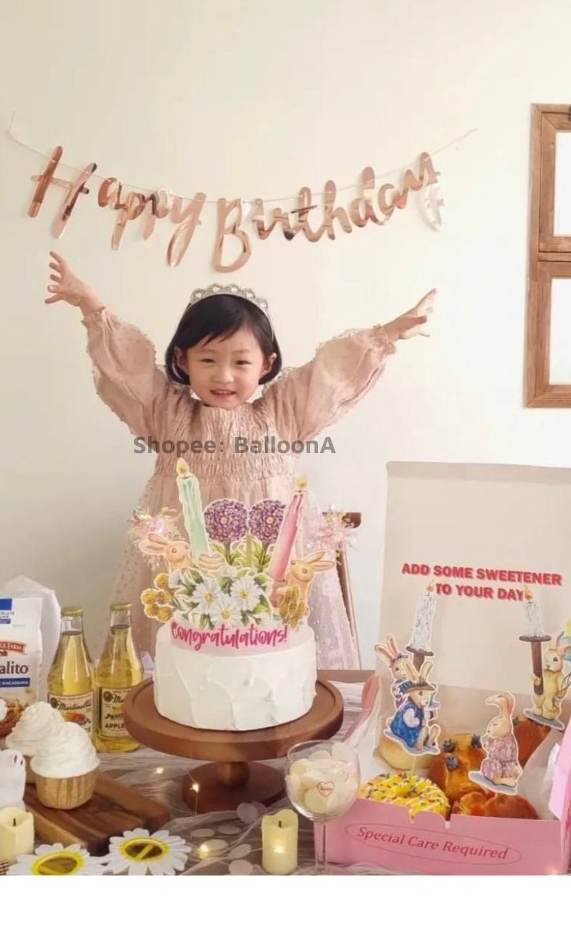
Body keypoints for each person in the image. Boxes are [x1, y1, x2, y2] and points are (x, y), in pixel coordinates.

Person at [45, 250, 435, 668]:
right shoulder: (167, 414)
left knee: (269, 666)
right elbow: (128, 370)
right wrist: (90, 305)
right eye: (208, 360)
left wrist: (388, 334)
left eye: (241, 362)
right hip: (186, 572)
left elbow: (330, 376)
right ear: (183, 360)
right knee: (184, 667)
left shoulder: (283, 414)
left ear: (267, 365)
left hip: (268, 575)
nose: (224, 376)